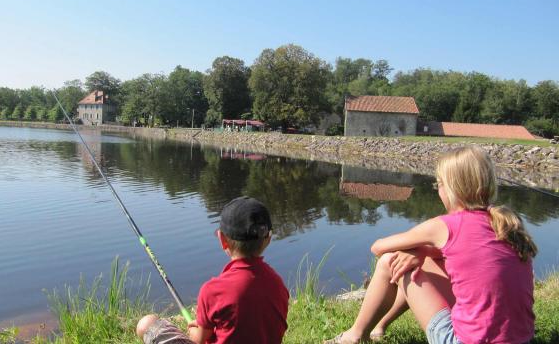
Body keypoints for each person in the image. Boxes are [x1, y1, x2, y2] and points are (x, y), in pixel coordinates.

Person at [327, 146, 537, 344]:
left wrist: (418, 252)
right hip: (521, 338)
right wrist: (423, 253)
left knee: (390, 261)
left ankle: (355, 335)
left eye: (439, 184)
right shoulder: (506, 222)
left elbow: (379, 247)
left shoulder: (444, 226)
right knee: (421, 260)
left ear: (450, 188)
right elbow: (471, 256)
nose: (438, 190)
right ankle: (379, 327)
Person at [136, 196, 289, 344]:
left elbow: (198, 340)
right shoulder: (278, 285)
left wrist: (194, 329)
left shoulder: (213, 291)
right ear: (268, 239)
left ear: (222, 240)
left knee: (147, 323)